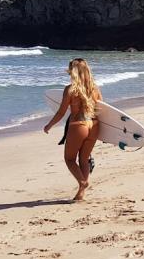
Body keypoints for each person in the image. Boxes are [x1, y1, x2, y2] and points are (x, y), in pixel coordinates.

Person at [43, 58, 102, 202]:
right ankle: (81, 193)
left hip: (78, 125)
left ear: (72, 71)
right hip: (94, 125)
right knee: (84, 159)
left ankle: (82, 182)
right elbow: (103, 108)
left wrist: (49, 125)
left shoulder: (69, 89)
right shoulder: (94, 88)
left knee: (69, 159)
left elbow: (61, 112)